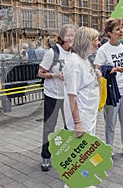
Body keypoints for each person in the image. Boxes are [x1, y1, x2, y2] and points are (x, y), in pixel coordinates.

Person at [93, 17, 123, 161]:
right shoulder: (103, 50)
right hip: (113, 91)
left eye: (121, 28)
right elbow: (97, 69)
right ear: (109, 33)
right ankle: (109, 149)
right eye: (117, 29)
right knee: (110, 123)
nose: (121, 31)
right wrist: (113, 69)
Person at [38, 24, 77, 171]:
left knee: (70, 127)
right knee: (49, 127)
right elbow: (41, 72)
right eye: (69, 35)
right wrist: (55, 75)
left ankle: (69, 155)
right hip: (53, 95)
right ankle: (46, 156)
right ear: (62, 37)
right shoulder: (52, 52)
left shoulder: (74, 53)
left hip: (68, 96)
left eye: (73, 35)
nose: (71, 38)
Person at [63, 27, 101, 138]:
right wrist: (77, 122)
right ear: (87, 41)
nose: (98, 43)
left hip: (89, 116)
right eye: (96, 40)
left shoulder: (85, 59)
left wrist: (96, 74)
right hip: (82, 119)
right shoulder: (74, 63)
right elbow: (72, 95)